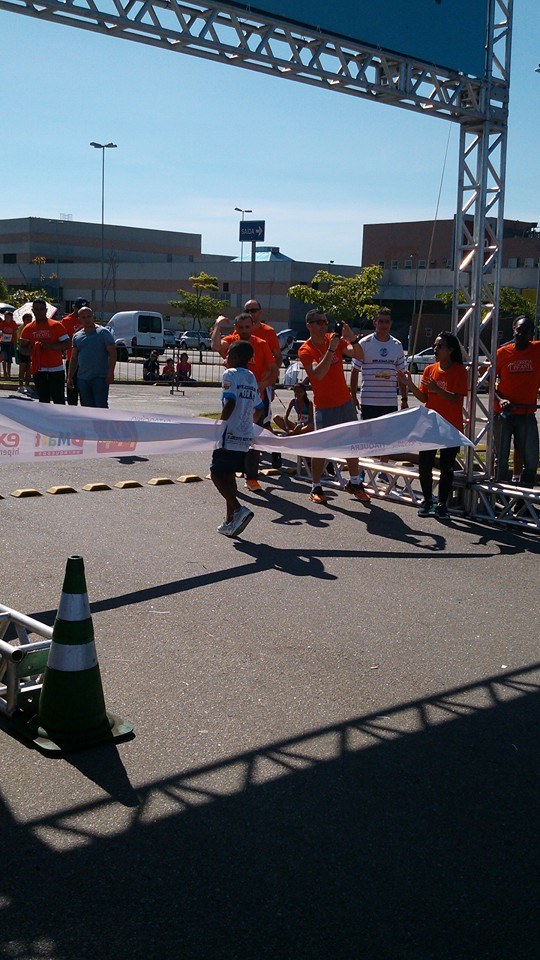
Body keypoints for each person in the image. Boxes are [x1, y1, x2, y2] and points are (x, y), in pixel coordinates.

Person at [298, 309, 369, 505]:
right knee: (322, 448)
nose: (324, 325)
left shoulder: (334, 339)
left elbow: (359, 355)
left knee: (352, 444)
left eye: (325, 321)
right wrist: (331, 350)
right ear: (309, 325)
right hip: (324, 406)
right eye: (319, 322)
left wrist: (352, 338)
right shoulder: (305, 349)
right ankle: (316, 486)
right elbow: (318, 374)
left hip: (344, 402)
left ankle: (355, 482)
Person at [399, 331, 468, 518]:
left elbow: (455, 399)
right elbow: (424, 398)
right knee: (425, 464)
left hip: (450, 426)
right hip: (430, 425)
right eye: (435, 346)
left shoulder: (460, 371)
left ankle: (442, 504)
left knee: (446, 467)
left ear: (450, 350)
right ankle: (428, 500)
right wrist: (409, 384)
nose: (435, 349)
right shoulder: (430, 369)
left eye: (440, 346)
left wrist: (437, 388)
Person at [211, 312, 278, 491]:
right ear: (235, 327)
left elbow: (274, 369)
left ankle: (251, 478)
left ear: (253, 326)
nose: (244, 330)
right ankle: (231, 478)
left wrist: (262, 385)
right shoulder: (232, 342)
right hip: (239, 395)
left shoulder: (261, 344)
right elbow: (215, 346)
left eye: (247, 327)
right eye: (240, 327)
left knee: (253, 441)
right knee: (234, 444)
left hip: (253, 397)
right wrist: (218, 324)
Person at [210, 340, 264, 538]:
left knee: (216, 473)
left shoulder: (230, 374)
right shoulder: (251, 376)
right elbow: (260, 408)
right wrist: (248, 424)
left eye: (227, 354)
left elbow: (230, 402)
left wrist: (220, 425)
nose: (225, 358)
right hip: (244, 434)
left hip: (229, 433)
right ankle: (230, 520)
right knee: (229, 474)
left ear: (234, 357)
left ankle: (239, 509)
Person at [493, 316, 540, 488]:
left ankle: (524, 499)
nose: (521, 334)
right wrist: (501, 399)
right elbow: (487, 382)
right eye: (518, 330)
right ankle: (500, 497)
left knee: (531, 460)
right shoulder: (501, 353)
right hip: (504, 414)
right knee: (502, 460)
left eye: (526, 331)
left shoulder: (537, 349)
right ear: (513, 330)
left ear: (532, 334)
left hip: (527, 414)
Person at [19, 299, 69, 404]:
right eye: (36, 309)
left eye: (41, 309)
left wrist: (49, 346)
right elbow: (22, 348)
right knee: (43, 400)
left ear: (46, 310)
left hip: (56, 369)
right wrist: (34, 351)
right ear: (32, 310)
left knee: (58, 400)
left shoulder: (56, 325)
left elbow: (66, 344)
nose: (39, 311)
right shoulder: (28, 328)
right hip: (38, 369)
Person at [66, 306, 116, 408]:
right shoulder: (77, 336)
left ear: (93, 317)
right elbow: (74, 358)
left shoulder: (103, 332)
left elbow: (113, 353)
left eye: (89, 316)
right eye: (83, 317)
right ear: (79, 319)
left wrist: (111, 372)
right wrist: (70, 376)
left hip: (100, 377)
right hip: (82, 378)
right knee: (87, 407)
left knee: (100, 406)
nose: (87, 319)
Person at [62, 297, 89, 405]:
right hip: (72, 358)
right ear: (75, 308)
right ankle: (72, 409)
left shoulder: (87, 319)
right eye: (80, 308)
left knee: (85, 390)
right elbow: (64, 340)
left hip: (86, 359)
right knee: (72, 388)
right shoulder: (66, 321)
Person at [16, 312, 33, 393]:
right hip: (22, 351)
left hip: (30, 351)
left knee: (29, 369)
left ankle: (27, 385)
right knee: (22, 368)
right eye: (28, 319)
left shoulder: (32, 327)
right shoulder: (21, 328)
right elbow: (20, 340)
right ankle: (20, 386)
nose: (30, 321)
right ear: (24, 320)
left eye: (31, 319)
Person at [0, 309, 18, 379]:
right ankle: (4, 373)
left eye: (7, 317)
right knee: (4, 358)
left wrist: (15, 342)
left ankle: (9, 373)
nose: (6, 318)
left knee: (9, 359)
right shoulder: (3, 323)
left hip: (10, 343)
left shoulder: (13, 323)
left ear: (11, 317)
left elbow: (15, 333)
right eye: (5, 317)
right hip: (3, 342)